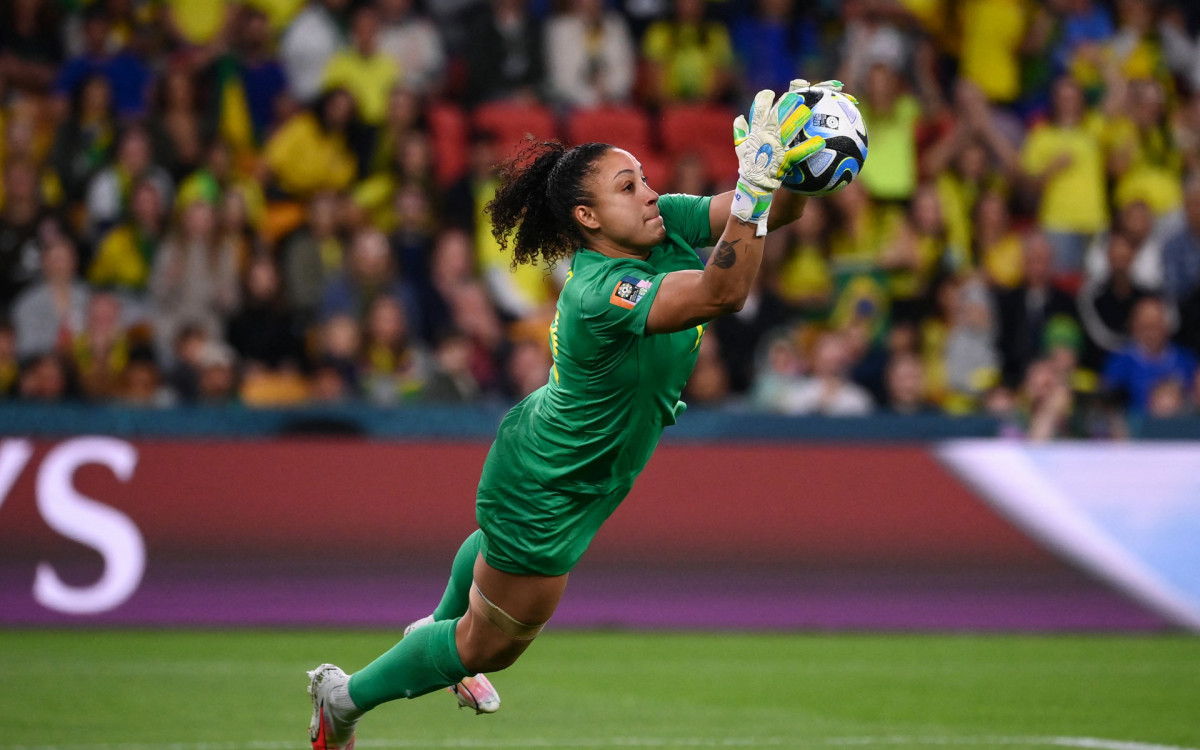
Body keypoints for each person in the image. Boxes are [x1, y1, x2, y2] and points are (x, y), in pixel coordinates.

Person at [306, 84, 827, 749]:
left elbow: (764, 215)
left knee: (479, 605)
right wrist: (754, 189)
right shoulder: (596, 292)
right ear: (587, 215)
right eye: (627, 184)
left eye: (642, 177)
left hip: (562, 452)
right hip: (548, 487)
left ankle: (432, 625)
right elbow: (722, 290)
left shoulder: (659, 221)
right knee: (487, 649)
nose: (647, 191)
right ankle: (342, 699)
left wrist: (800, 160)